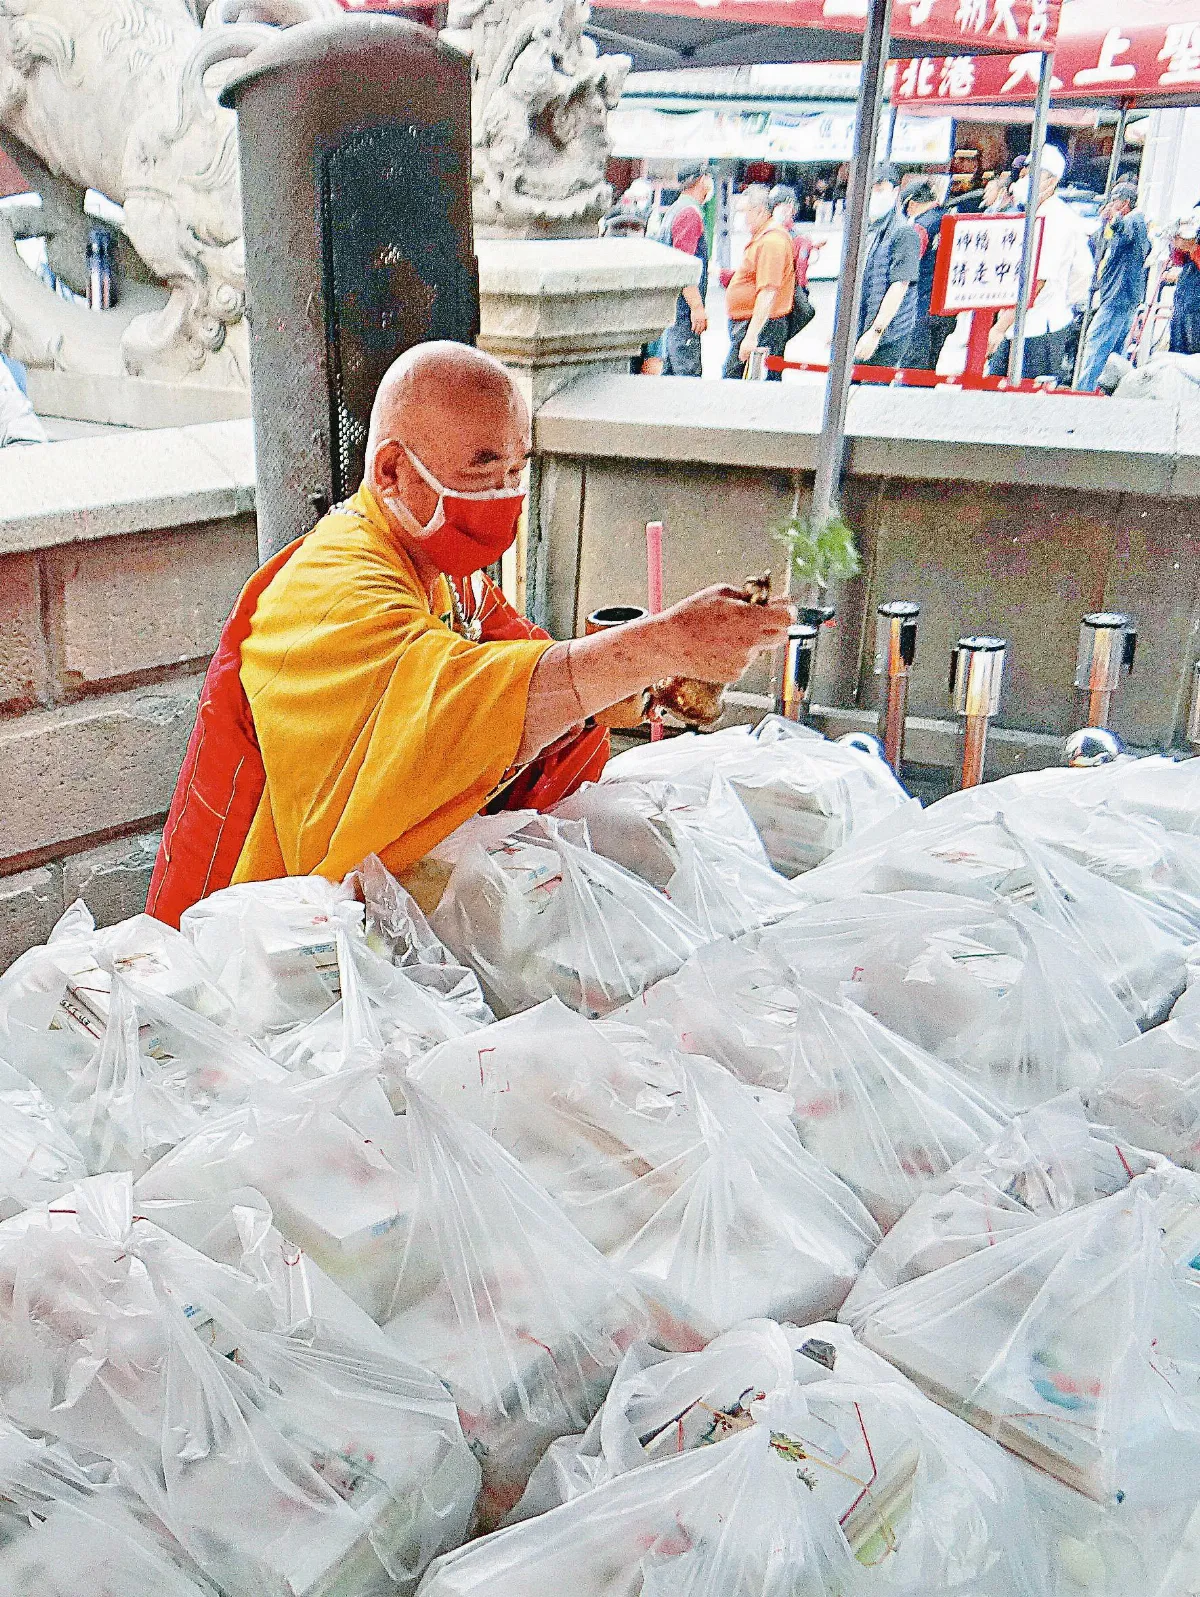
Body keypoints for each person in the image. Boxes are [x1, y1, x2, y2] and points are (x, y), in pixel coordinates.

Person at [146, 342, 794, 926]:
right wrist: (661, 643)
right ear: (392, 470)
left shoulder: (448, 577)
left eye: (517, 472)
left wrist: (651, 679)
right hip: (245, 946)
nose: (505, 497)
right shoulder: (329, 585)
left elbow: (533, 669)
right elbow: (461, 709)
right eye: (483, 473)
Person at [986, 144, 1087, 383]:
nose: (1025, 180)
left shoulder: (1054, 219)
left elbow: (1037, 281)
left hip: (1037, 329)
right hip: (1031, 325)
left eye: (1034, 174)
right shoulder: (1039, 213)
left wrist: (1000, 327)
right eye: (1025, 174)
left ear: (1052, 181)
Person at [1077, 180, 1151, 392]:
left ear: (1125, 203)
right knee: (1114, 351)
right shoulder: (1128, 223)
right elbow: (1103, 243)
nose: (1110, 204)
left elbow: (1125, 230)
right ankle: (1106, 391)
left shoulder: (1134, 220)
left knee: (1097, 344)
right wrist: (1106, 223)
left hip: (1119, 294)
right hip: (1119, 293)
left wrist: (1115, 218)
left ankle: (1084, 391)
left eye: (1114, 200)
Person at [722, 183, 795, 381]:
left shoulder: (772, 241)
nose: (741, 218)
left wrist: (751, 336)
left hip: (762, 326)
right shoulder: (763, 238)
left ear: (760, 211)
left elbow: (768, 292)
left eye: (743, 211)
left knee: (740, 381)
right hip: (752, 323)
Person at [853, 164, 922, 373]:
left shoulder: (903, 232)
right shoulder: (869, 228)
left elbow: (899, 285)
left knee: (870, 388)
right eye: (870, 188)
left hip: (889, 334)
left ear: (895, 192)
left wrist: (876, 332)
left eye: (880, 188)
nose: (873, 195)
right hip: (861, 325)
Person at [660, 166, 713, 378]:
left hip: (674, 308)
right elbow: (684, 266)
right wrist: (697, 307)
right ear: (700, 180)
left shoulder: (676, 209)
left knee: (673, 374)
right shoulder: (689, 213)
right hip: (683, 312)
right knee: (687, 375)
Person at [901, 178, 954, 373]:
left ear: (912, 204)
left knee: (913, 371)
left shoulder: (920, 228)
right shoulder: (950, 219)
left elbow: (906, 269)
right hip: (946, 308)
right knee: (930, 368)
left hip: (920, 307)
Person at [1169, 211, 1200, 357]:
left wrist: (1192, 249)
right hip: (1183, 302)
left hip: (1195, 309)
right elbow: (1179, 261)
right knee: (1177, 350)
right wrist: (1176, 244)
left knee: (1193, 354)